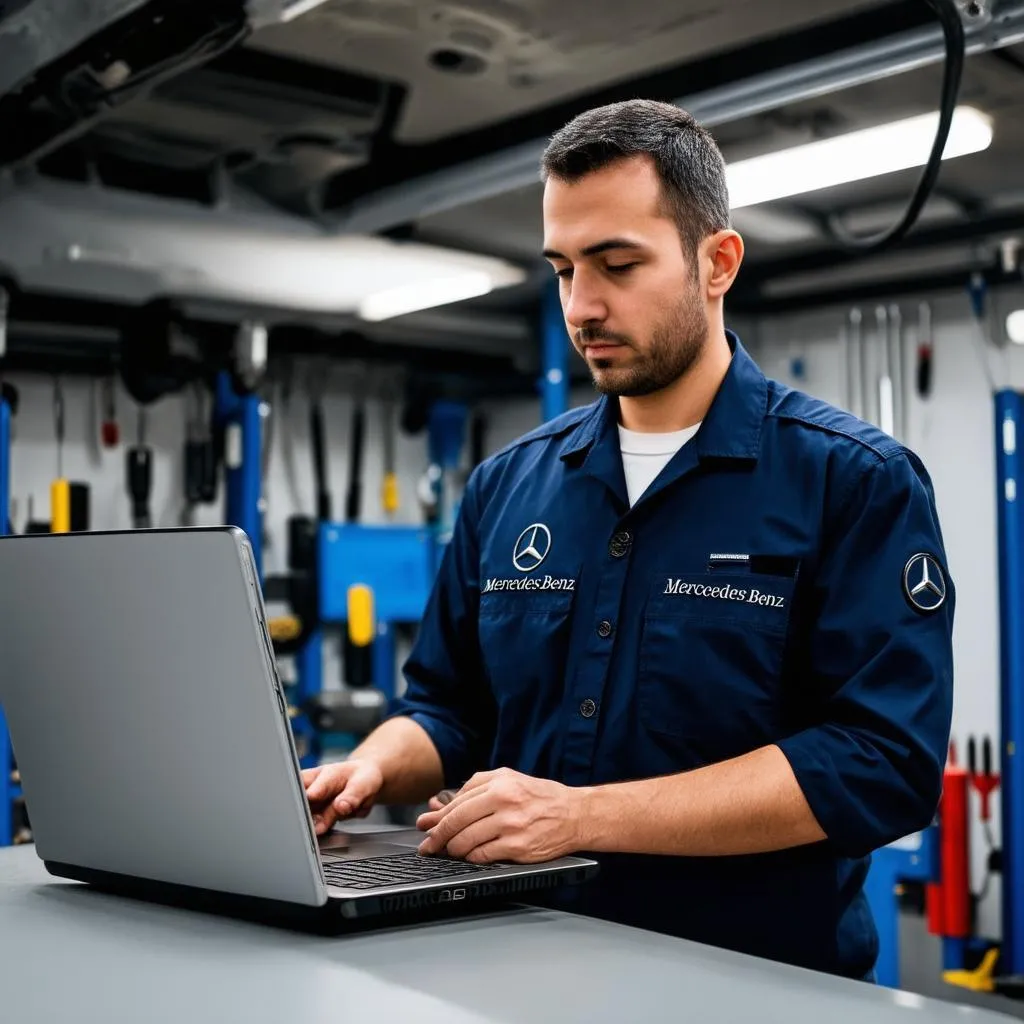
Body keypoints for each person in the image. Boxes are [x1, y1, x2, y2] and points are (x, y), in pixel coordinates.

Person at [303, 98, 955, 980]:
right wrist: (373, 766)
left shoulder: (852, 480)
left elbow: (880, 762)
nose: (583, 305)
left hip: (750, 984)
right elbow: (450, 711)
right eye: (564, 268)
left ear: (717, 262)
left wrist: (584, 816)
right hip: (512, 966)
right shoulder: (507, 486)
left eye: (616, 264)